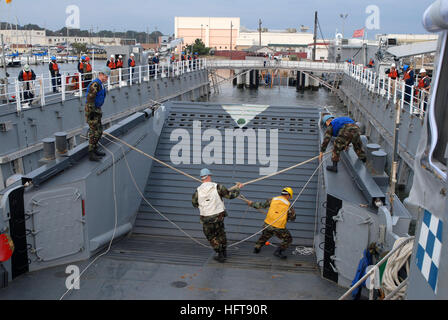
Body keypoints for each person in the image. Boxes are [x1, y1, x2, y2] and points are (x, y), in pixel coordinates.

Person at [192, 168, 243, 263]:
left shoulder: (197, 191)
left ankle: (219, 252)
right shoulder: (218, 187)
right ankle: (223, 251)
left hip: (206, 217)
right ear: (209, 176)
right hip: (218, 216)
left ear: (202, 178)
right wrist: (238, 188)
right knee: (221, 233)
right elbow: (230, 196)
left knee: (210, 236)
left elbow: (194, 204)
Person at [246, 187, 296, 259]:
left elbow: (261, 205)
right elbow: (293, 218)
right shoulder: (288, 205)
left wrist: (251, 204)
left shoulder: (273, 199)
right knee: (288, 239)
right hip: (278, 227)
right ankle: (278, 251)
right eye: (289, 197)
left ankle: (257, 248)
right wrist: (287, 217)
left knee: (265, 236)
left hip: (268, 224)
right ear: (288, 195)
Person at [85, 68, 109, 161]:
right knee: (93, 131)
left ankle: (95, 148)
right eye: (105, 77)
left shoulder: (101, 84)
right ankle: (91, 152)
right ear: (101, 74)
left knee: (99, 131)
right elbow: (90, 99)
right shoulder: (95, 84)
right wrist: (91, 113)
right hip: (92, 110)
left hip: (97, 110)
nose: (106, 79)